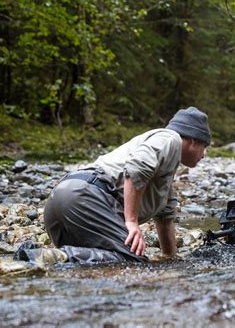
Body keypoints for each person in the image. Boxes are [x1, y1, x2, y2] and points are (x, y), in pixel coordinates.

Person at [25, 106, 210, 264]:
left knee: (89, 266)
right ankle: (55, 256)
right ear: (193, 140)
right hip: (85, 198)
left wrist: (171, 259)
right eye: (205, 147)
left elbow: (165, 219)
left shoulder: (164, 175)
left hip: (61, 197)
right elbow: (137, 168)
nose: (204, 155)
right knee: (131, 262)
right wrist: (131, 221)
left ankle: (51, 257)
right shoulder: (170, 139)